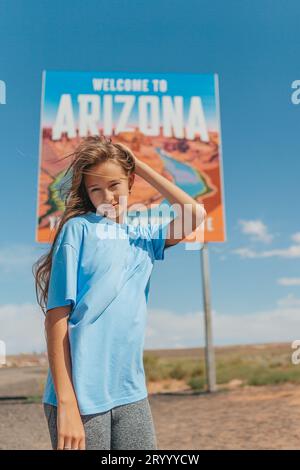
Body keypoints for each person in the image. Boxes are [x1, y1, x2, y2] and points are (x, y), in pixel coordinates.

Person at [33, 135, 206, 450]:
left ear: (130, 182)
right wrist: (68, 404)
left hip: (131, 394)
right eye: (95, 189)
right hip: (80, 398)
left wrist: (138, 163)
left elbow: (194, 214)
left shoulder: (144, 237)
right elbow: (56, 317)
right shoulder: (78, 230)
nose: (107, 197)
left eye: (114, 185)